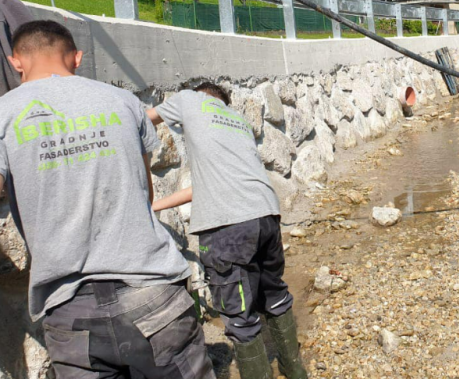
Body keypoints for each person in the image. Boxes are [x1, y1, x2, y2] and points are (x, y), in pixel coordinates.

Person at [0, 20, 214, 378]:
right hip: (152, 292)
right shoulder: (122, 101)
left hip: (68, 310)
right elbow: (144, 188)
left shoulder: (4, 113)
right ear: (78, 58)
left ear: (16, 61)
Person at [148, 83, 307, 379]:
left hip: (228, 228)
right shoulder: (238, 124)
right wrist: (157, 205)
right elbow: (208, 187)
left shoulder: (188, 99)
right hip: (266, 215)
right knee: (273, 294)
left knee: (239, 315)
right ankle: (295, 370)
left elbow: (138, 119)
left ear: (201, 95)